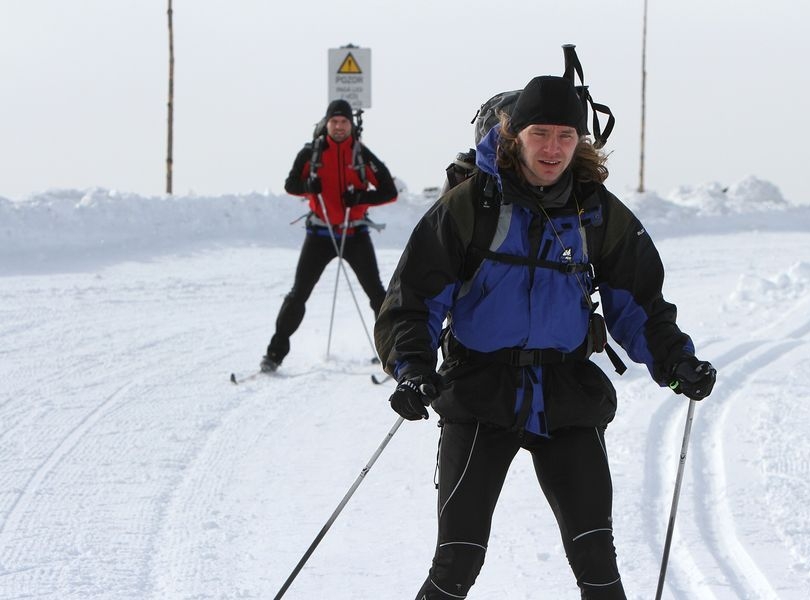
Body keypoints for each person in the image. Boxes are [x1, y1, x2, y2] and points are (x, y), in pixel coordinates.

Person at [373, 76, 716, 599]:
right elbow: (413, 300)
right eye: (540, 133)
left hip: (566, 394)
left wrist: (675, 362)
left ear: (581, 141)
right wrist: (414, 368)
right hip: (480, 391)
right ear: (514, 135)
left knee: (597, 560)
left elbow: (639, 305)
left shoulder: (597, 211)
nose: (552, 148)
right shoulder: (469, 207)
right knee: (457, 562)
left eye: (565, 135)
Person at [261, 99, 397, 372]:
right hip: (320, 234)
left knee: (377, 295)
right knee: (298, 294)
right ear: (326, 123)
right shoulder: (311, 153)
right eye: (334, 122)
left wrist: (360, 196)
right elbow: (291, 184)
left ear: (350, 125)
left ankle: (395, 355)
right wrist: (308, 186)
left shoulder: (361, 154)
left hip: (355, 232)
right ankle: (273, 355)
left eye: (344, 122)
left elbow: (389, 191)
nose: (338, 127)